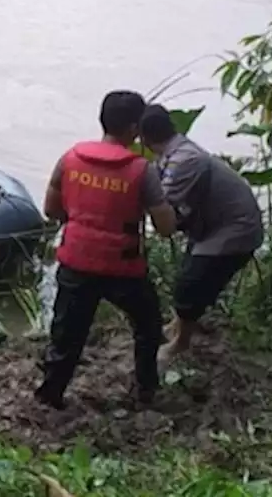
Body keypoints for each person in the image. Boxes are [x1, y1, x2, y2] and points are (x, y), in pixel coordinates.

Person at [35, 90, 178, 410]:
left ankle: (50, 395)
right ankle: (146, 390)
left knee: (66, 335)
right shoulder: (142, 170)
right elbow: (166, 226)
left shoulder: (70, 158)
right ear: (134, 129)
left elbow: (51, 209)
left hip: (76, 261)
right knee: (147, 325)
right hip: (122, 268)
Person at [140, 104, 264, 361]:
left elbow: (163, 204)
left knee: (190, 286)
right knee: (188, 275)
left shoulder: (185, 160)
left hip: (233, 230)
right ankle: (177, 328)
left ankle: (181, 343)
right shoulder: (174, 153)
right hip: (210, 227)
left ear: (144, 137)